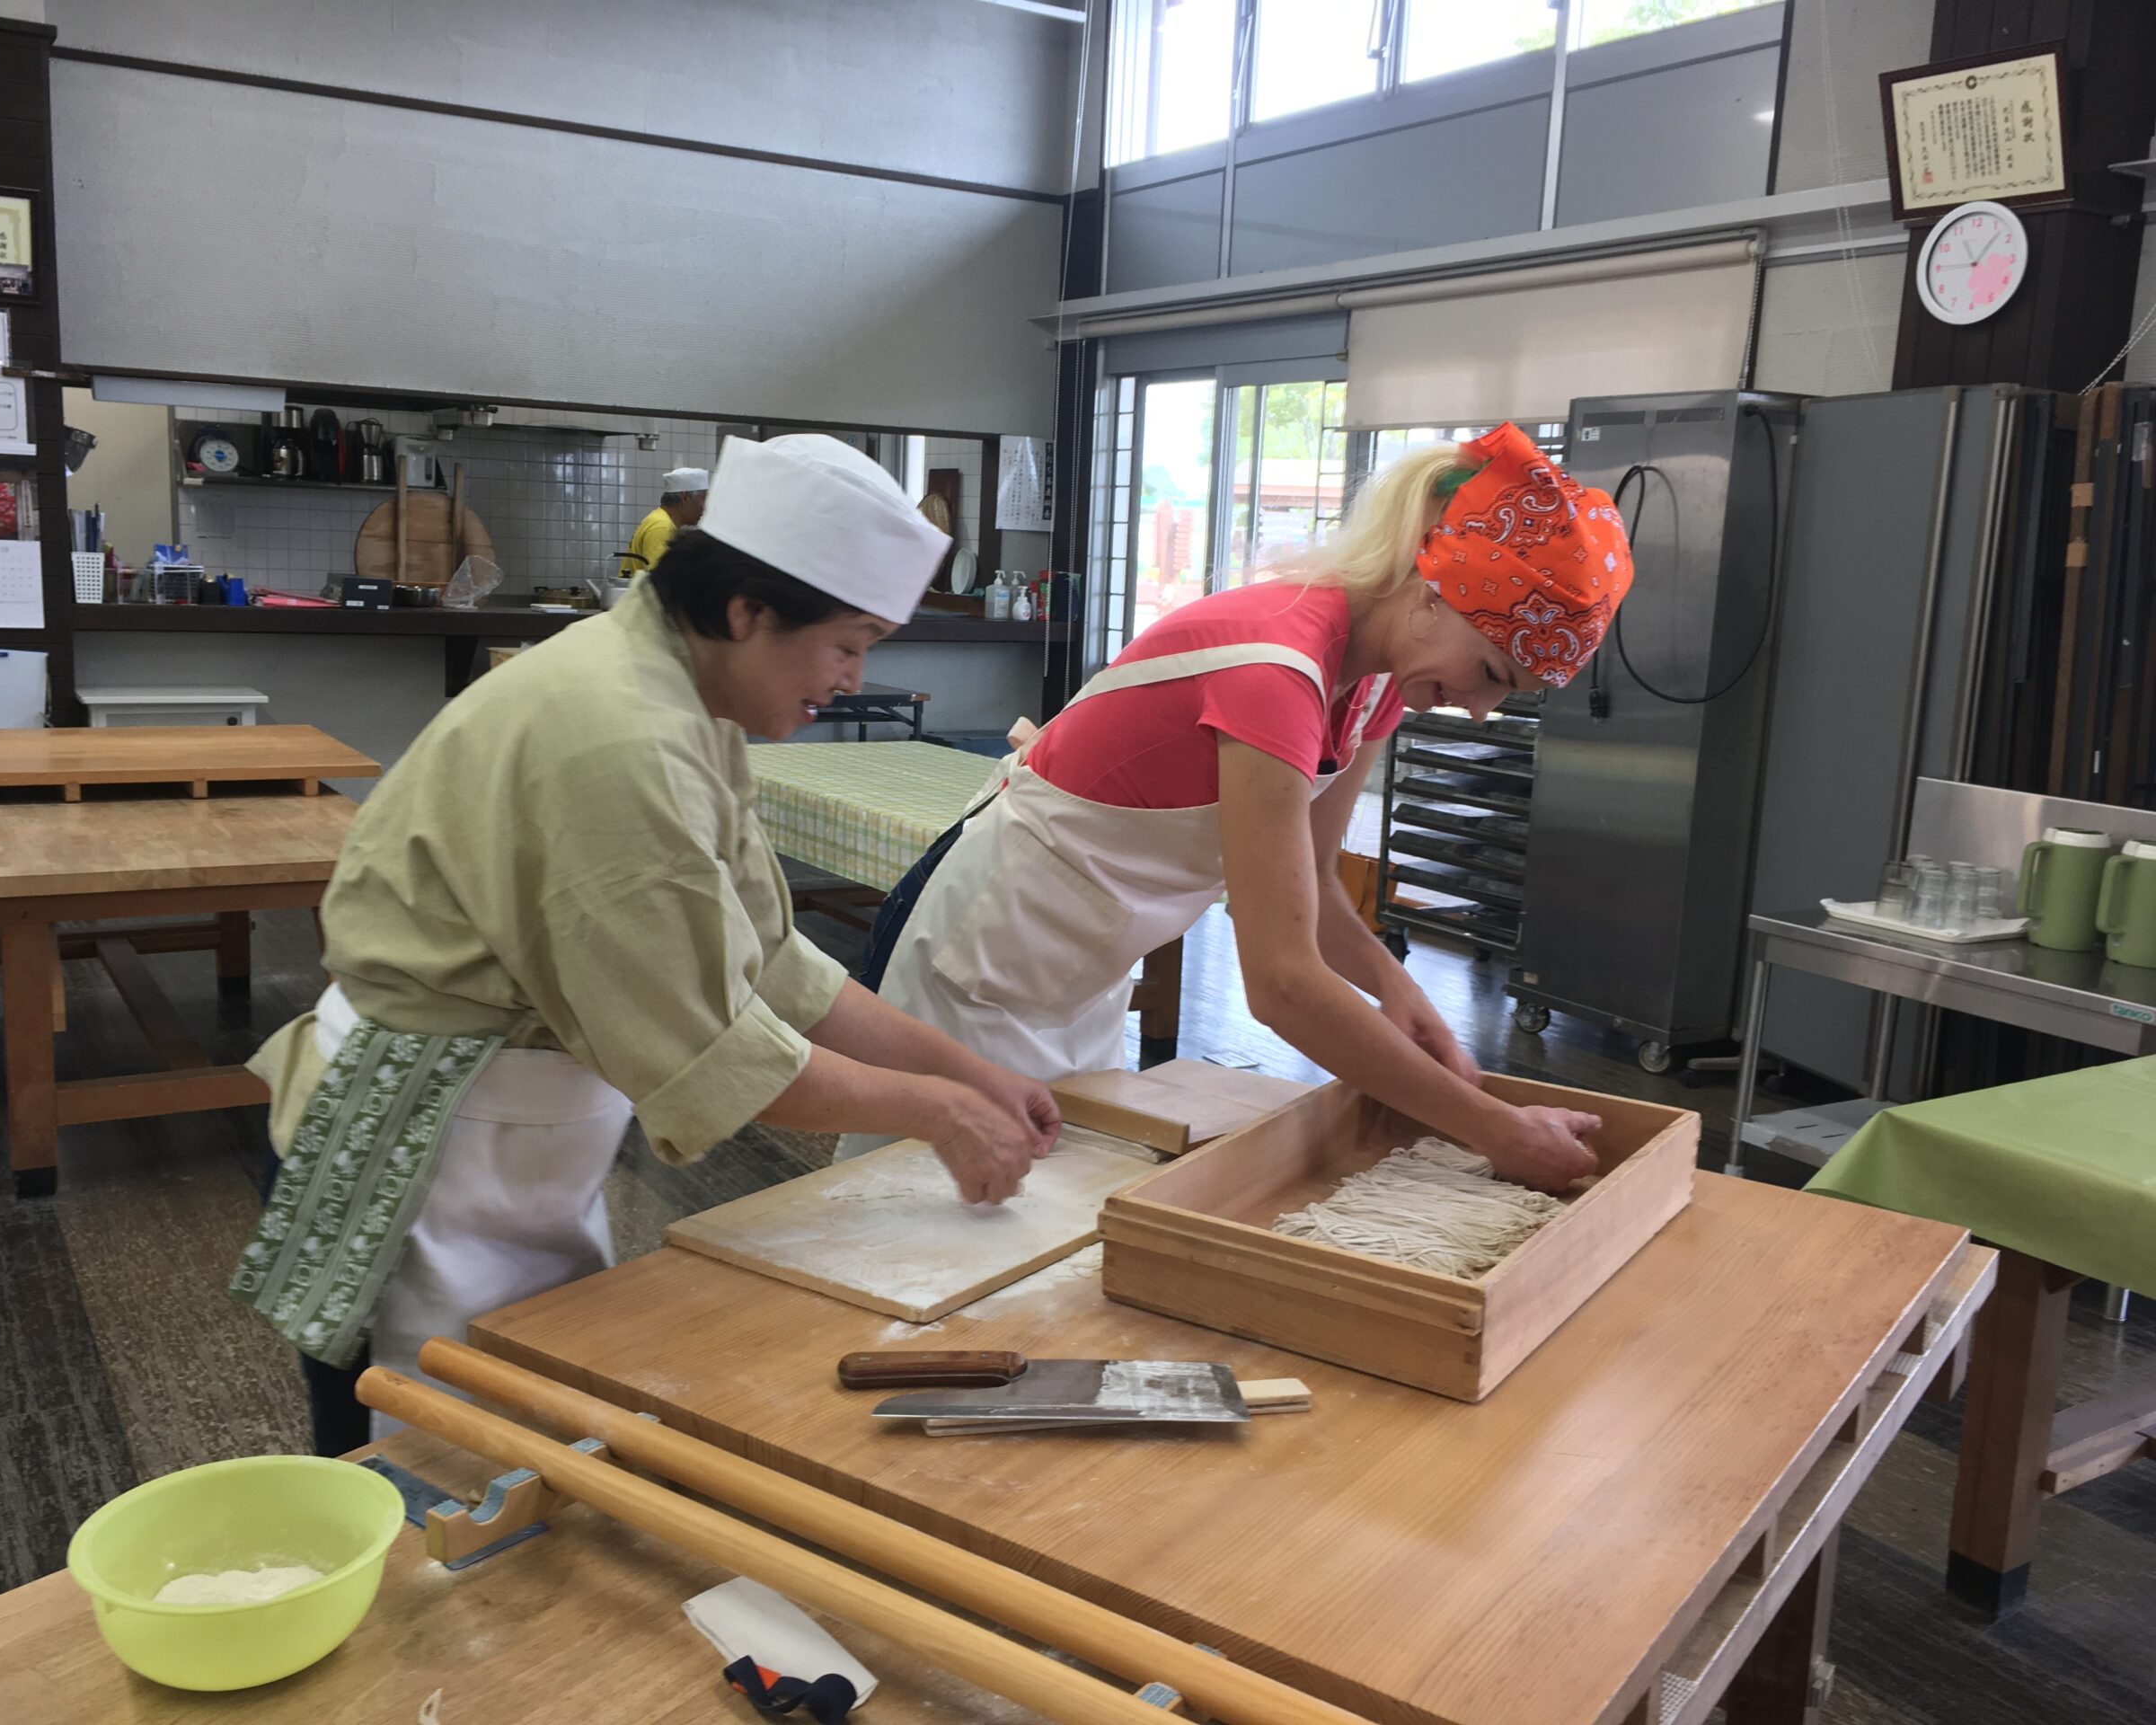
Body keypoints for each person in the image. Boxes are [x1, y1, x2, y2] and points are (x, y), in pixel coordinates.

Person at [231, 435, 1060, 1455]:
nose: (855, 678)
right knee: (425, 1462)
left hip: (502, 1131)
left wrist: (969, 1072)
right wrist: (938, 1112)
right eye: (849, 644)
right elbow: (718, 1060)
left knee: (512, 1443)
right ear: (748, 611)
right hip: (423, 1148)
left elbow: (773, 960)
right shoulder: (620, 736)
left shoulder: (681, 690)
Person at [856, 424, 1633, 1193]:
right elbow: (1281, 982)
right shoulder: (1273, 669)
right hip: (985, 959)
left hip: (1080, 970)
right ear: (1436, 592)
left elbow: (1316, 884)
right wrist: (1493, 1128)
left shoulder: (1375, 687)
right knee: (913, 1207)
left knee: (1038, 1205)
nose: (1480, 709)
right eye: (1491, 673)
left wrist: (1397, 989)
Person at [621, 464, 709, 572]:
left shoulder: (660, 519)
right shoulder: (662, 527)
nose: (704, 507)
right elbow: (657, 578)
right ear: (685, 497)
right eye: (703, 499)